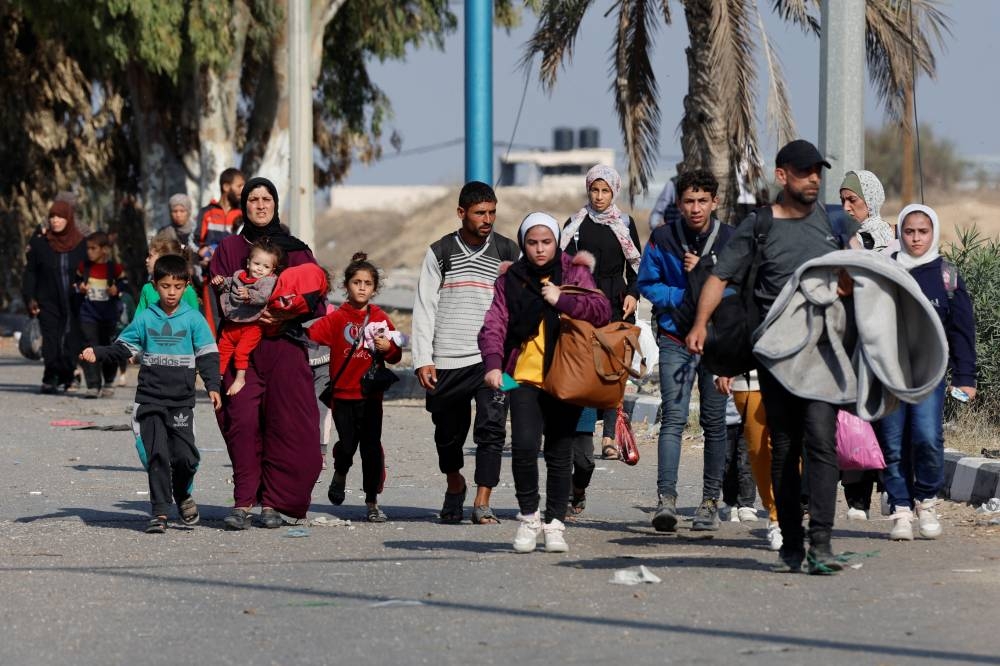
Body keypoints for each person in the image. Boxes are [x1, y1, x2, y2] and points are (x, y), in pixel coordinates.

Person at [685, 139, 861, 574]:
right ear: (782, 176)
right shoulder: (759, 225)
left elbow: (857, 276)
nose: (814, 179)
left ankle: (821, 542)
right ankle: (791, 543)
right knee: (783, 445)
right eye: (805, 172)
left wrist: (849, 285)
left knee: (821, 439)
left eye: (818, 172)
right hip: (776, 352)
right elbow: (719, 276)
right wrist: (699, 325)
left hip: (823, 348)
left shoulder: (834, 220)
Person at [479, 212, 611, 553]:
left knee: (559, 451)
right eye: (533, 242)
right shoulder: (511, 278)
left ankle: (554, 523)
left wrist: (561, 299)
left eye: (546, 242)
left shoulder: (573, 271)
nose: (540, 249)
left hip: (566, 375)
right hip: (518, 376)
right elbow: (494, 323)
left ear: (556, 242)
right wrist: (493, 365)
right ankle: (528, 518)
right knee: (523, 447)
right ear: (524, 243)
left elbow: (601, 310)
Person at [210, 177, 324, 530]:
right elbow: (215, 298)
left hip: (284, 348)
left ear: (275, 204)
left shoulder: (297, 249)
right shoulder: (228, 249)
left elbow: (316, 298)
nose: (260, 205)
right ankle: (243, 501)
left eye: (267, 199)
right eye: (253, 199)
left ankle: (273, 502)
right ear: (243, 205)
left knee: (286, 426)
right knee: (241, 421)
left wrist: (286, 312)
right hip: (241, 350)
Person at [80, 254, 222, 533]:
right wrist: (98, 352)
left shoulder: (193, 319)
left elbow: (207, 355)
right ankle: (159, 512)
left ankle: (182, 494)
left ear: (186, 286)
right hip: (150, 399)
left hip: (181, 401)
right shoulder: (146, 318)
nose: (171, 293)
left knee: (186, 457)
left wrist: (213, 386)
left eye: (178, 287)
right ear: (155, 285)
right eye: (166, 286)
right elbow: (124, 347)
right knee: (157, 455)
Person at [412, 181, 519, 525]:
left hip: (492, 359)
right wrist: (422, 359)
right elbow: (425, 307)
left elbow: (518, 305)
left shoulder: (507, 251)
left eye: (492, 212)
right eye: (480, 213)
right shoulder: (440, 252)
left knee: (492, 429)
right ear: (461, 213)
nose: (488, 219)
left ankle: (482, 500)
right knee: (448, 433)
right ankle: (454, 483)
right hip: (446, 358)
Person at [636, 169, 732, 532]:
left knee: (714, 422)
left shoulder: (729, 240)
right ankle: (667, 501)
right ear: (678, 203)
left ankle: (709, 502)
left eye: (702, 201)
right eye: (689, 201)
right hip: (675, 337)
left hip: (716, 341)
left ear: (714, 202)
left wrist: (707, 287)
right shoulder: (662, 238)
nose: (695, 208)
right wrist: (681, 297)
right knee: (673, 418)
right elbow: (648, 282)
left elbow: (738, 288)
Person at [878, 204, 977, 541]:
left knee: (927, 439)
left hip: (929, 376)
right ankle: (901, 509)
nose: (916, 238)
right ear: (899, 234)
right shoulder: (886, 270)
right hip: (890, 376)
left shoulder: (946, 276)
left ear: (933, 233)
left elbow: (962, 331)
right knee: (892, 444)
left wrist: (966, 378)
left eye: (923, 231)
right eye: (909, 231)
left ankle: (927, 502)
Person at [307, 253, 403, 523]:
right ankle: (340, 471)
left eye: (368, 283)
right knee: (347, 445)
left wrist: (389, 348)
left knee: (371, 448)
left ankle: (372, 502)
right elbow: (310, 335)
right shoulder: (337, 319)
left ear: (374, 288)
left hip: (370, 395)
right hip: (342, 396)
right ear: (347, 286)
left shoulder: (380, 318)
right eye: (357, 282)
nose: (362, 287)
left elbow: (396, 354)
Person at [562, 164, 642, 460]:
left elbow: (636, 266)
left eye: (604, 191)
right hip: (585, 303)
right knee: (585, 369)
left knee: (613, 370)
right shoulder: (575, 223)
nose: (598, 196)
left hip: (616, 303)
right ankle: (583, 434)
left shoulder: (624, 223)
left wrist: (633, 294)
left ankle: (609, 437)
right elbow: (564, 266)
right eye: (594, 190)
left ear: (614, 192)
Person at [838, 170, 894, 519]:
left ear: (869, 200)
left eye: (853, 200)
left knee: (886, 417)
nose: (846, 207)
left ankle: (891, 489)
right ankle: (857, 497)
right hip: (849, 341)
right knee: (852, 416)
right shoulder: (846, 238)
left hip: (882, 340)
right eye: (843, 200)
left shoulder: (885, 238)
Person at [22, 200, 87, 394]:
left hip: (75, 301)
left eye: (59, 217)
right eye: (52, 217)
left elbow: (90, 270)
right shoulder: (40, 243)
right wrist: (30, 298)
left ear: (68, 218)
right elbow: (30, 273)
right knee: (50, 340)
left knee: (71, 339)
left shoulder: (82, 244)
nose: (55, 220)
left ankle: (70, 376)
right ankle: (50, 375)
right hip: (47, 300)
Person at [716, 371, 782, 551]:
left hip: (788, 382)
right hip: (744, 392)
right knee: (749, 454)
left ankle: (765, 511)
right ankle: (763, 505)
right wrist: (723, 368)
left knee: (784, 450)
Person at [211, 238, 284, 396]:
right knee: (222, 350)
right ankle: (216, 379)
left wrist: (249, 294)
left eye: (266, 267)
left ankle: (240, 378)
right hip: (232, 323)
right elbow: (228, 284)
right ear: (249, 263)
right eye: (257, 264)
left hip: (252, 326)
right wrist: (220, 281)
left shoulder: (268, 281)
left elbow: (264, 297)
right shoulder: (239, 275)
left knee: (241, 352)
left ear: (272, 270)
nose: (260, 269)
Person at [74, 231, 129, 398]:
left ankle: (109, 381)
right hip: (88, 315)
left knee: (107, 347)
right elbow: (75, 283)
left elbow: (124, 284)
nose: (89, 252)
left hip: (108, 316)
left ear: (104, 250)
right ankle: (92, 384)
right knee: (89, 346)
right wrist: (80, 288)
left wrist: (116, 289)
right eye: (88, 248)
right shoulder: (84, 267)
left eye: (93, 248)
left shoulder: (114, 268)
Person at [197, 168, 246, 336]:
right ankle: (213, 358)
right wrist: (201, 252)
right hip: (210, 278)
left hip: (235, 279)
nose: (242, 190)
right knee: (212, 321)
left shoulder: (243, 214)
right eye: (239, 186)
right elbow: (194, 240)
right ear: (226, 187)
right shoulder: (207, 212)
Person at [135, 238, 201, 316]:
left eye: (150, 256)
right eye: (165, 286)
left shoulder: (187, 291)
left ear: (164, 259)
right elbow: (137, 323)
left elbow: (195, 323)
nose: (146, 260)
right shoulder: (147, 289)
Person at [569, 408, 598, 516]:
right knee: (562, 462)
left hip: (584, 414)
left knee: (586, 465)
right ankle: (563, 501)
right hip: (556, 410)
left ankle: (578, 489)